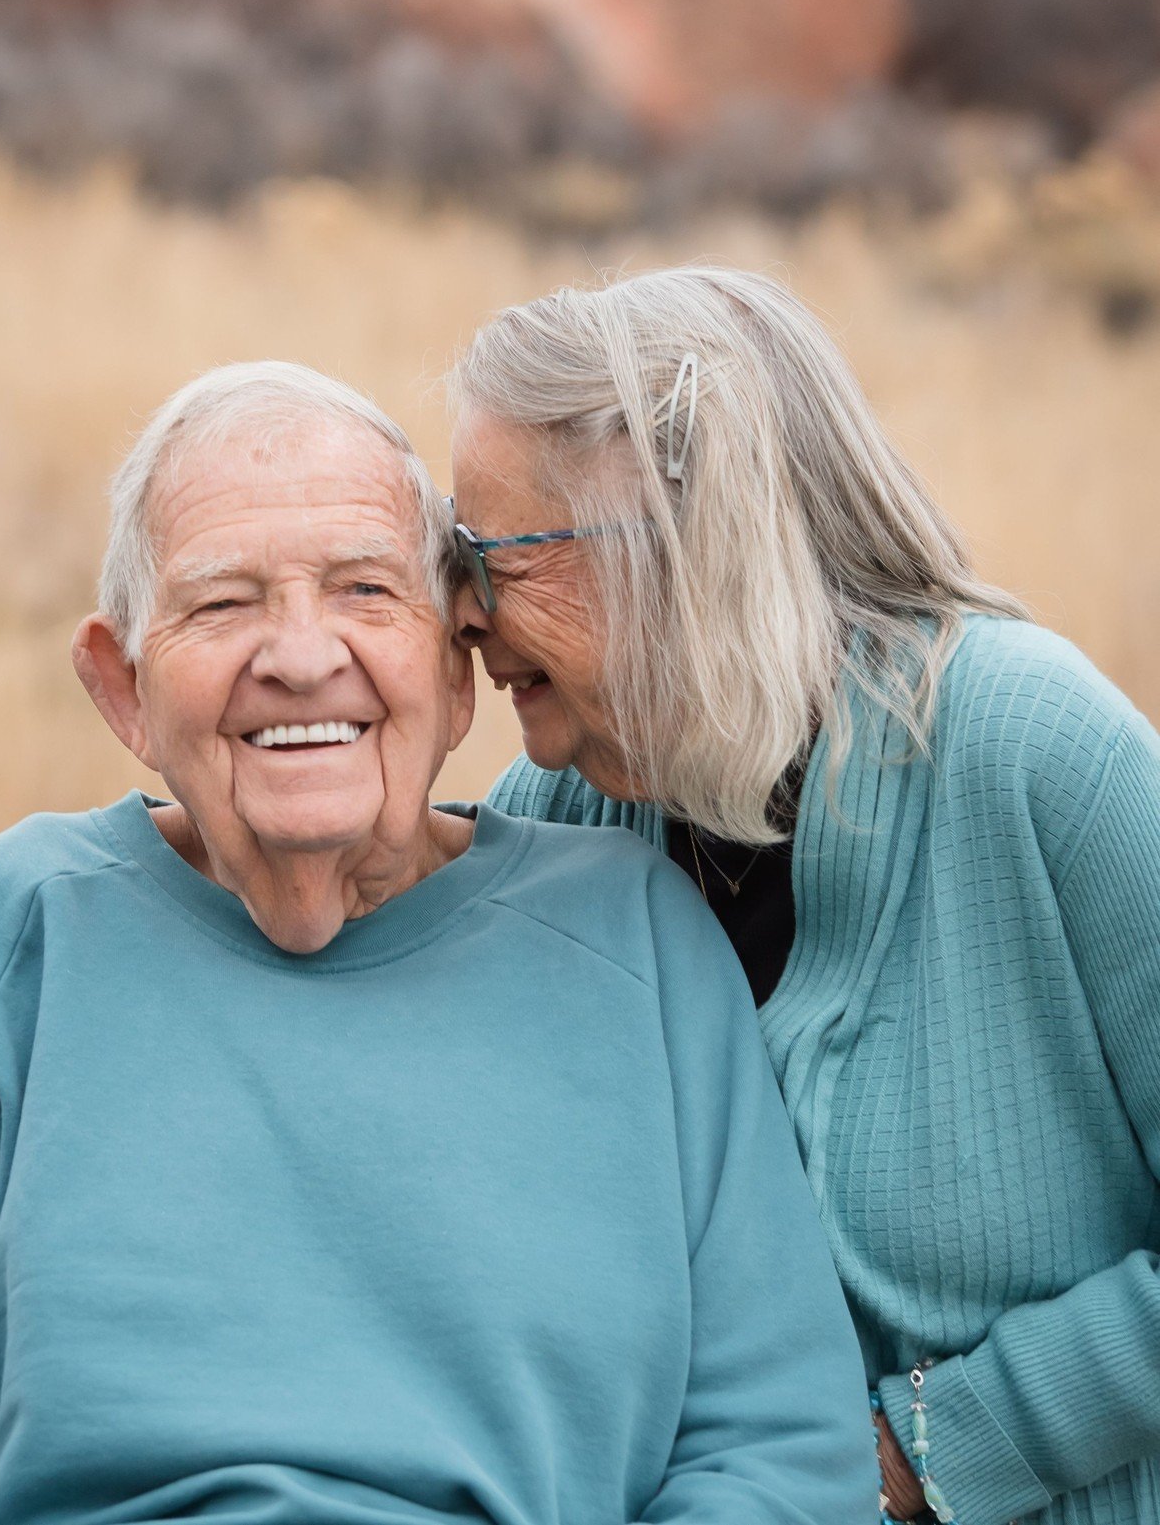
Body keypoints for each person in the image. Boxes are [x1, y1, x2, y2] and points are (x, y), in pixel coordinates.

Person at [0, 359, 876, 1525]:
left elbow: (780, 1460)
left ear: (456, 669)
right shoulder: (24, 922)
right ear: (122, 687)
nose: (298, 654)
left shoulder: (631, 935)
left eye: (363, 591)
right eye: (222, 602)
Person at [442, 267, 1160, 1525]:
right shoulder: (552, 820)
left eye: (494, 556)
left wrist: (923, 1453)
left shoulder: (1027, 748)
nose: (464, 614)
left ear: (682, 536)